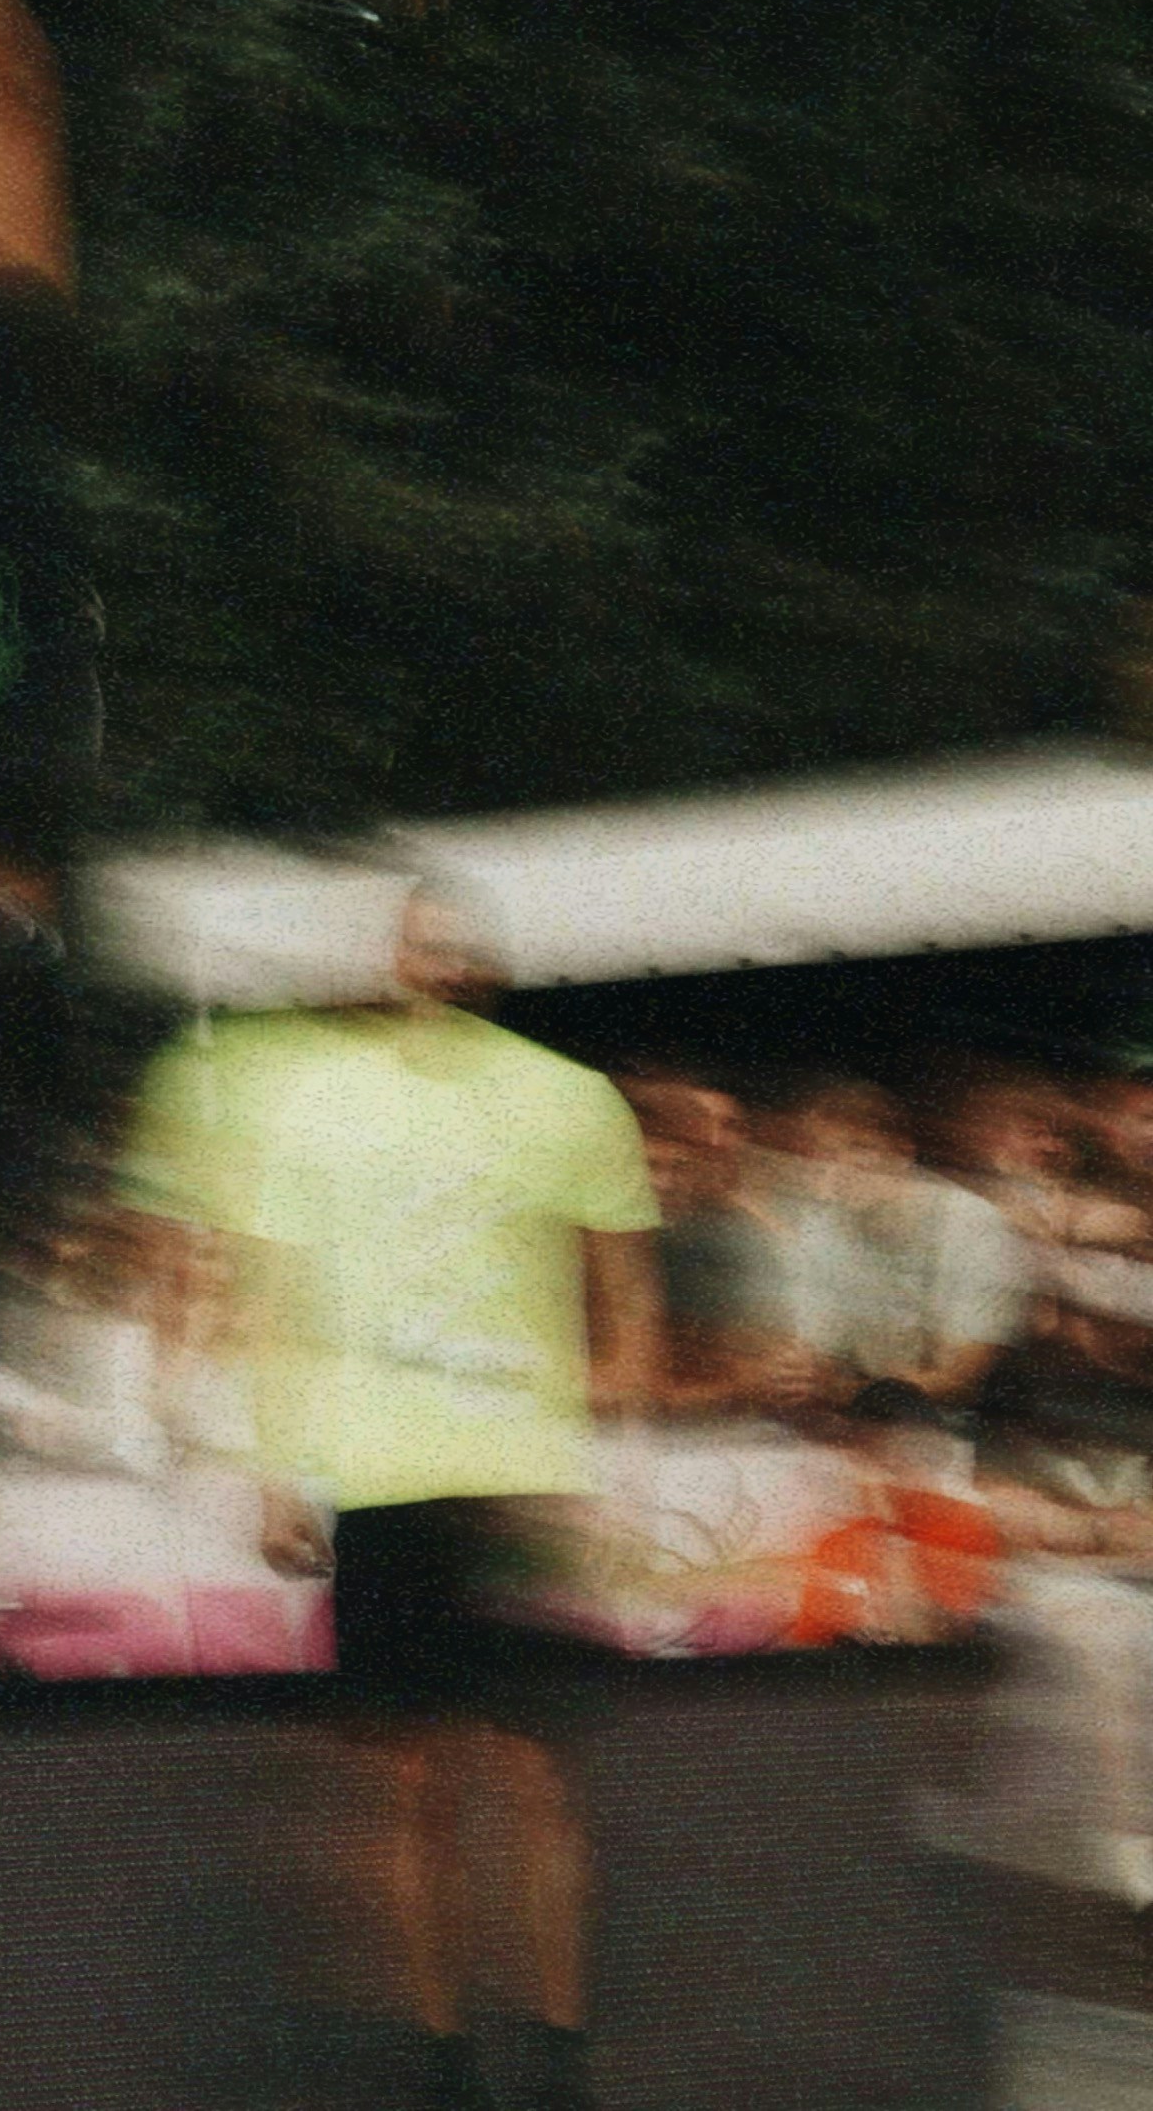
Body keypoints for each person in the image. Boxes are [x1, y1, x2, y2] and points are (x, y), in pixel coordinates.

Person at [124, 885, 662, 2111]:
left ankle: (560, 2050)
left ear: (485, 962)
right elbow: (273, 1301)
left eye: (451, 941)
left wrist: (618, 1466)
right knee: (408, 1780)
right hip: (379, 1476)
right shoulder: (315, 1107)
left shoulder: (571, 1098)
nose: (429, 961)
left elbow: (627, 1297)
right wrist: (276, 1473)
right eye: (409, 940)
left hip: (520, 1472)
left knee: (535, 1778)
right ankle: (441, 2063)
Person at [759, 1077, 1028, 1412]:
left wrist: (838, 1390)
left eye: (859, 1149)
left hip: (975, 1428)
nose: (840, 1169)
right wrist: (801, 1373)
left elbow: (960, 1381)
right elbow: (818, 1354)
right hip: (867, 1418)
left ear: (903, 1154)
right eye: (825, 1155)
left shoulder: (977, 1225)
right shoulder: (823, 1227)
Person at [619, 1072, 802, 1413]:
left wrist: (793, 1371)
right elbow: (625, 1384)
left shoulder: (730, 1235)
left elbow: (771, 1353)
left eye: (680, 1166)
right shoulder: (581, 1236)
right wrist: (740, 1384)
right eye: (649, 1165)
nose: (664, 1182)